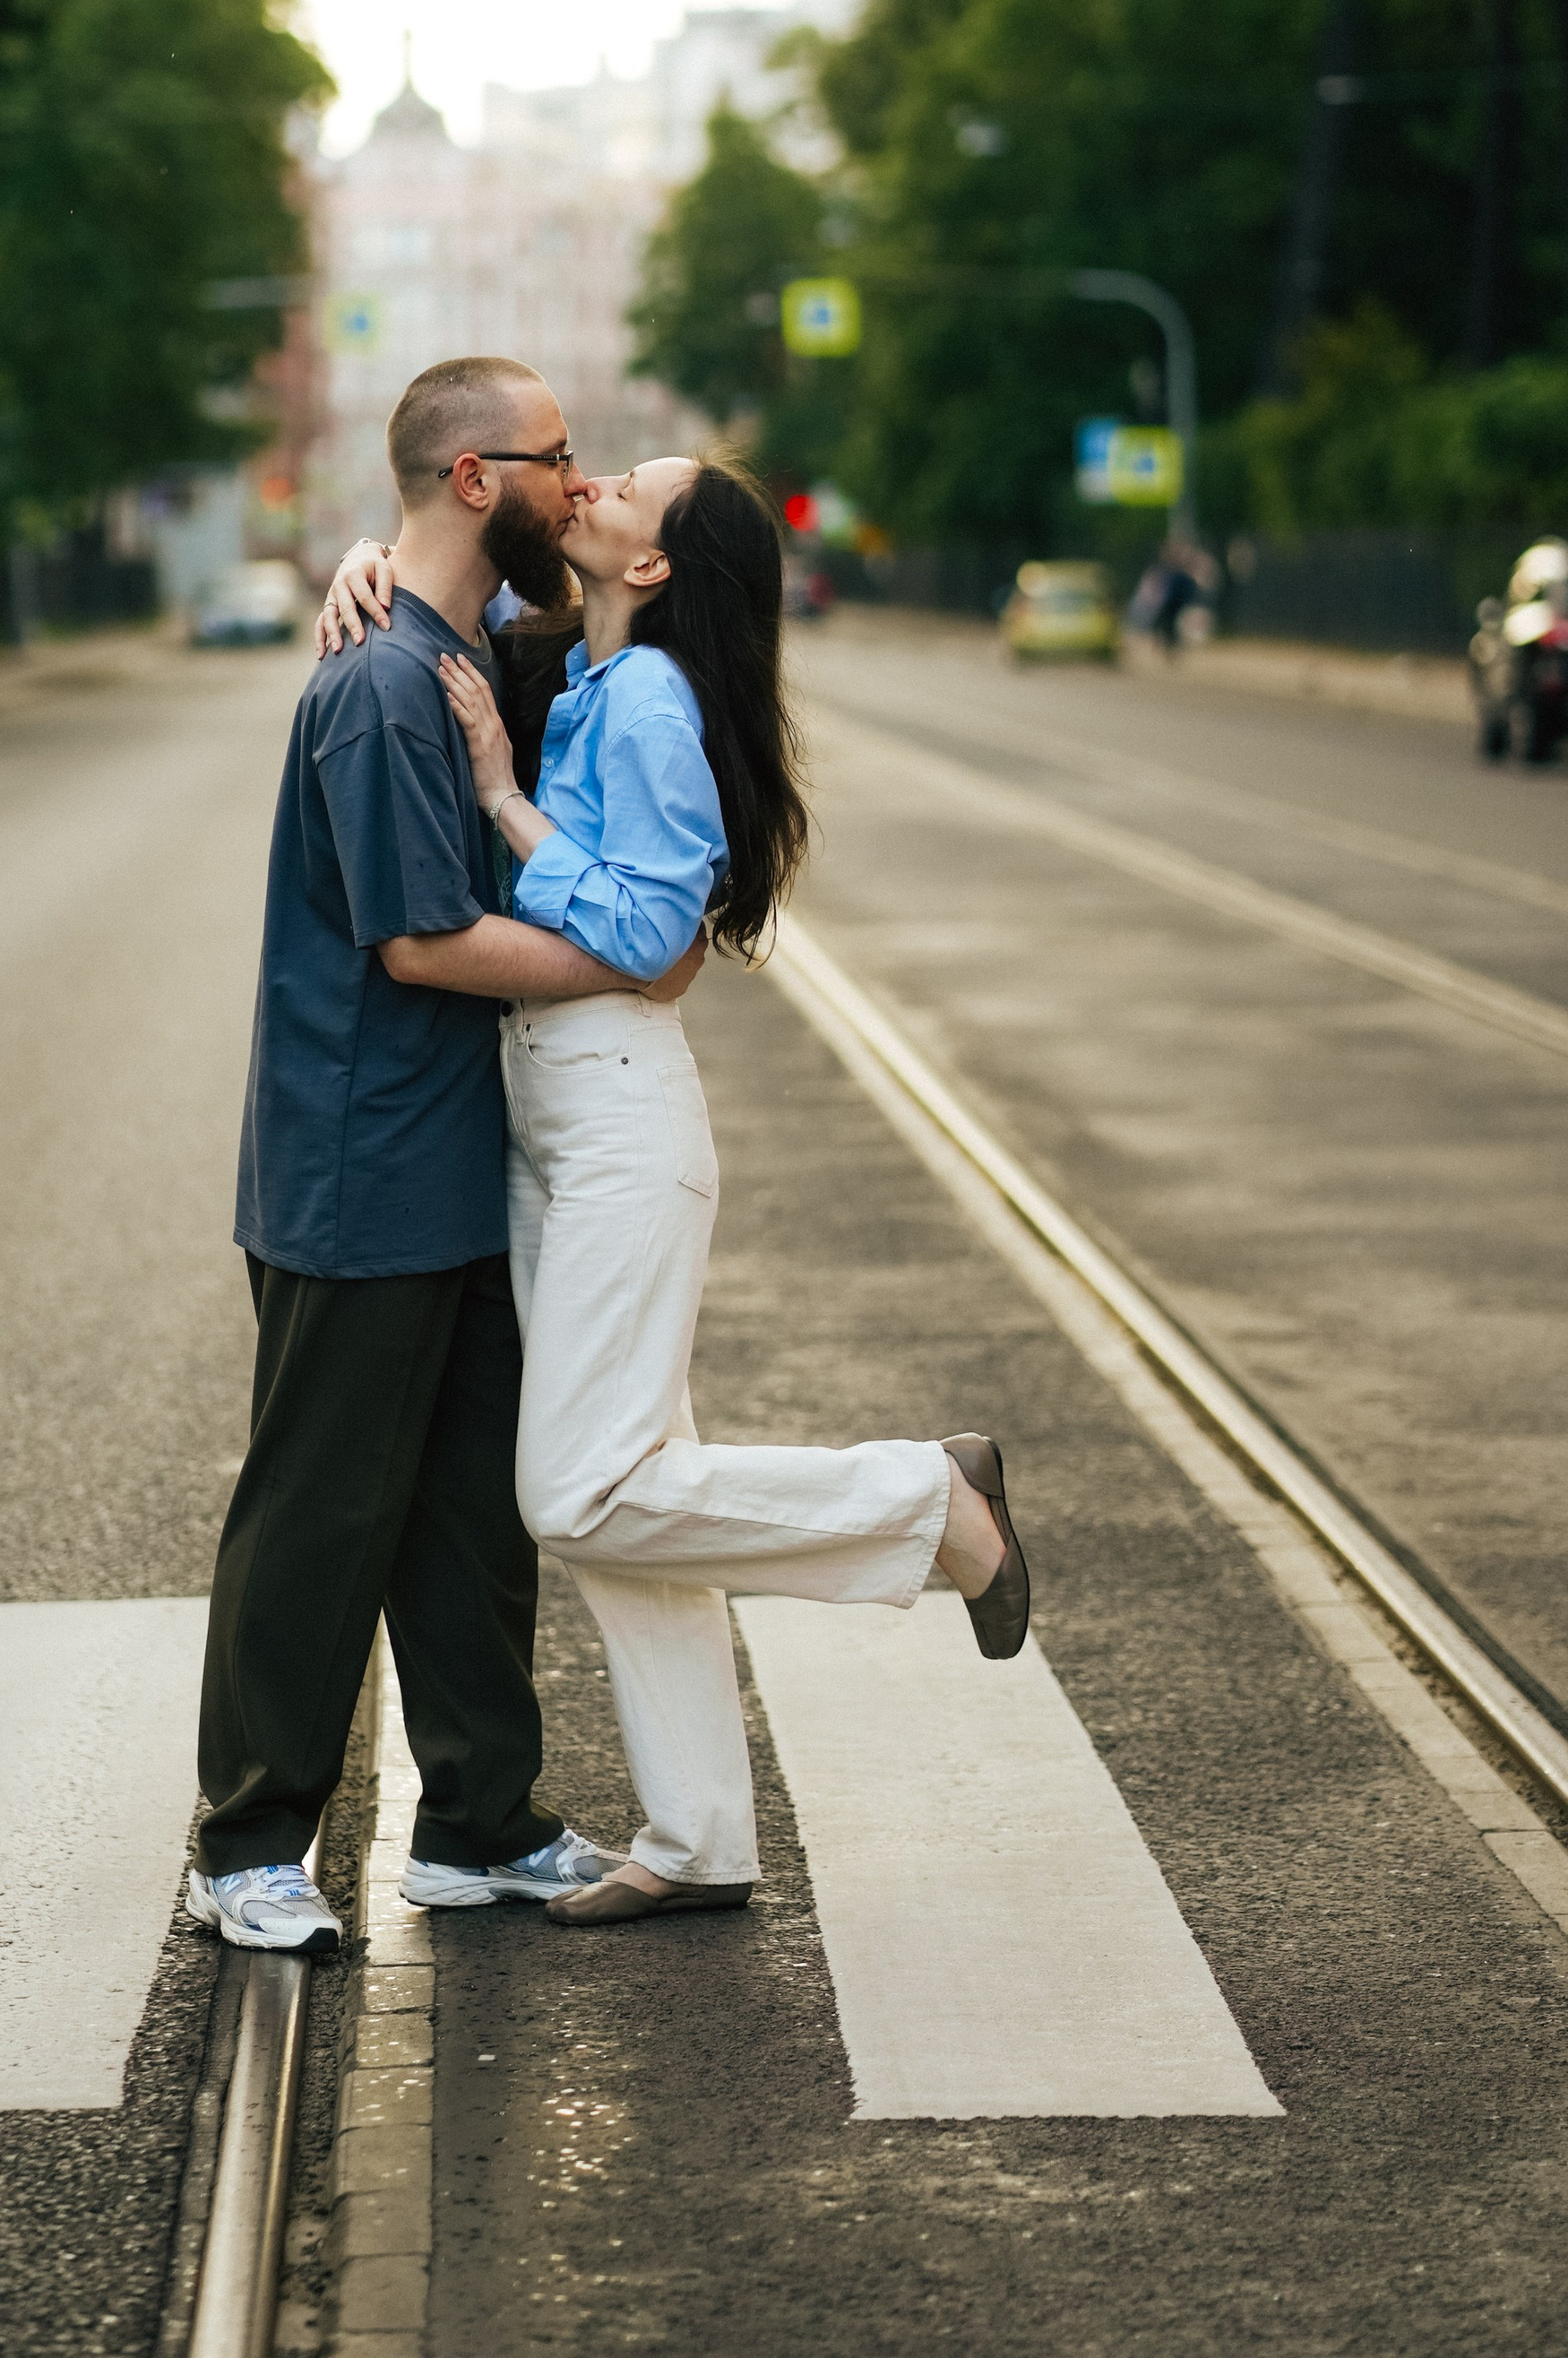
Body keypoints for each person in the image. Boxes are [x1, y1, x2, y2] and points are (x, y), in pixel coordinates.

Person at [317, 456, 1029, 1929]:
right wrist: (361, 559)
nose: (587, 483)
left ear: (652, 566)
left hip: (614, 1107)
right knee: (639, 1478)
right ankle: (699, 1834)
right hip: (552, 1104)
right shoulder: (586, 673)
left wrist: (504, 801)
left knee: (580, 1492)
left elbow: (648, 934)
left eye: (625, 490)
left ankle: (930, 1499)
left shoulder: (644, 700)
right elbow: (454, 567)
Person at [188, 357, 709, 1956]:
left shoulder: (476, 647)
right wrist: (631, 962)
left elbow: (651, 630)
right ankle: (249, 1841)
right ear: (478, 478)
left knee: (471, 1512)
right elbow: (420, 942)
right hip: (360, 1168)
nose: (580, 479)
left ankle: (481, 1822)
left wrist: (373, 554)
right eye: (558, 456)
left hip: (459, 1160)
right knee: (321, 1507)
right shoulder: (382, 688)